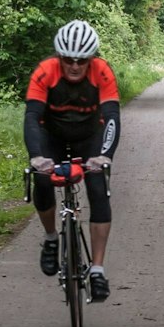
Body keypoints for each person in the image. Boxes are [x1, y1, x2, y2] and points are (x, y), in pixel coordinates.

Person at [25, 19, 120, 301]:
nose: (75, 66)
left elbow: (112, 117)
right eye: (68, 59)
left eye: (81, 60)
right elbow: (31, 117)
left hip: (89, 136)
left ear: (91, 58)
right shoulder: (45, 72)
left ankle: (97, 270)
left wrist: (105, 156)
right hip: (51, 136)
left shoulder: (102, 72)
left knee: (98, 188)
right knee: (41, 180)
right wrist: (37, 157)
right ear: (59, 57)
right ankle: (52, 238)